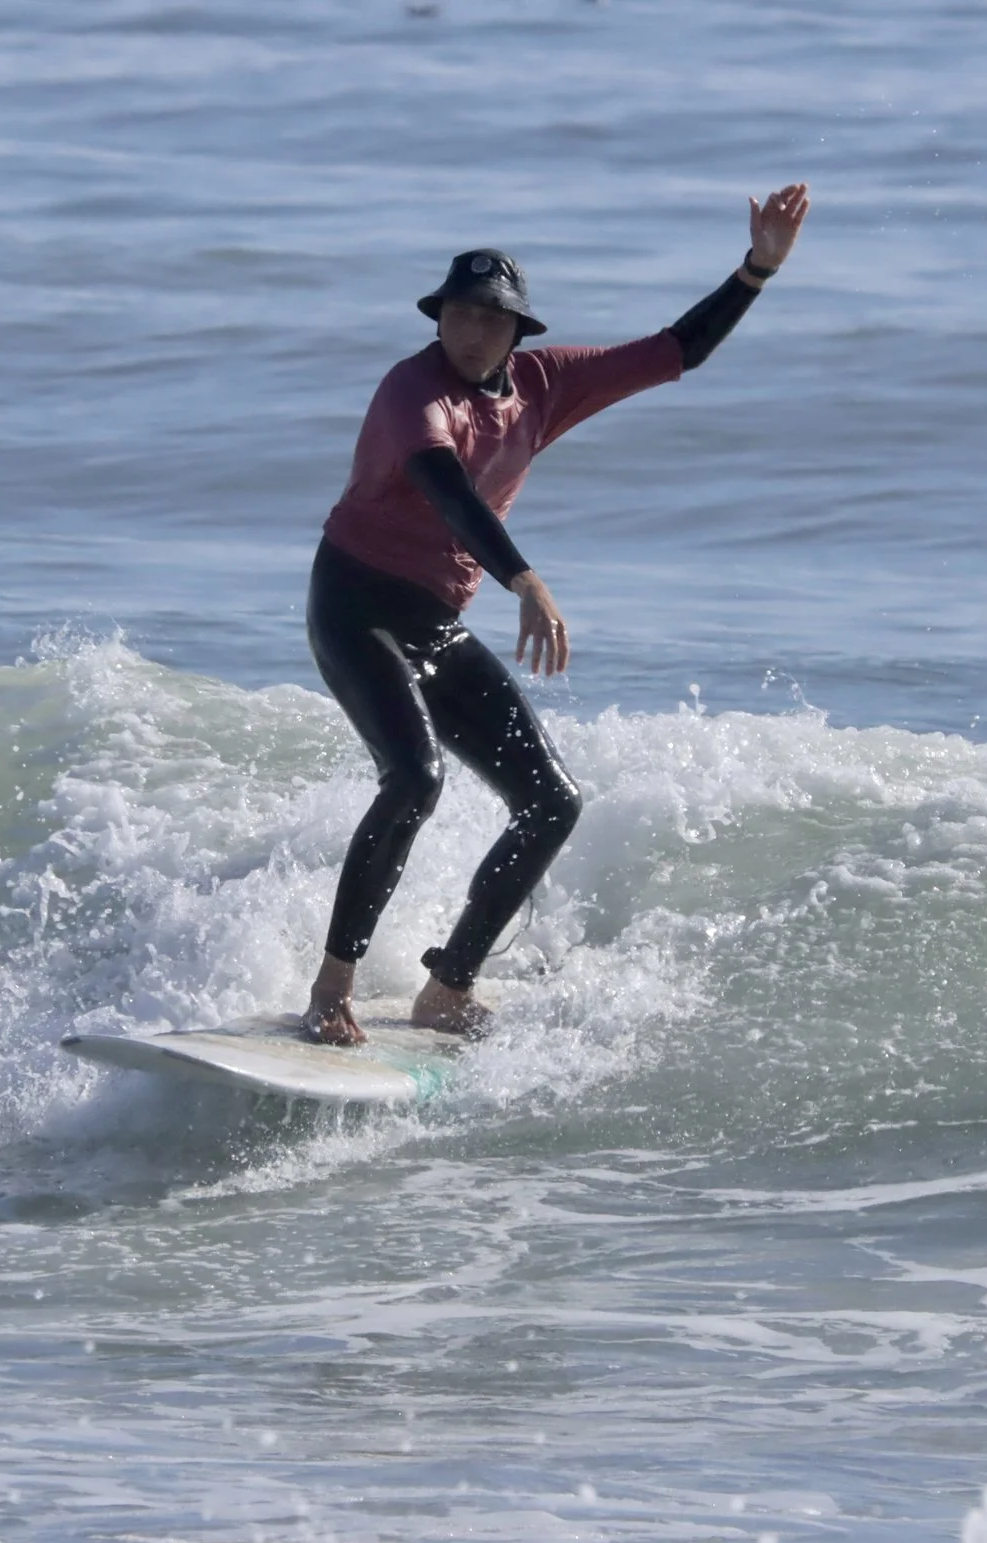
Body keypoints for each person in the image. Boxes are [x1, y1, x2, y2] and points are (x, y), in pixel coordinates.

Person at [302, 183, 812, 1044]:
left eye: (487, 319)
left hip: (434, 619)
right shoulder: (411, 390)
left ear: (516, 330)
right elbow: (448, 492)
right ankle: (331, 986)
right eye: (457, 315)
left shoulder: (544, 384)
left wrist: (757, 270)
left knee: (551, 800)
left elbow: (676, 351)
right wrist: (524, 580)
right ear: (438, 320)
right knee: (415, 778)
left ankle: (447, 987)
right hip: (355, 599)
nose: (469, 333)